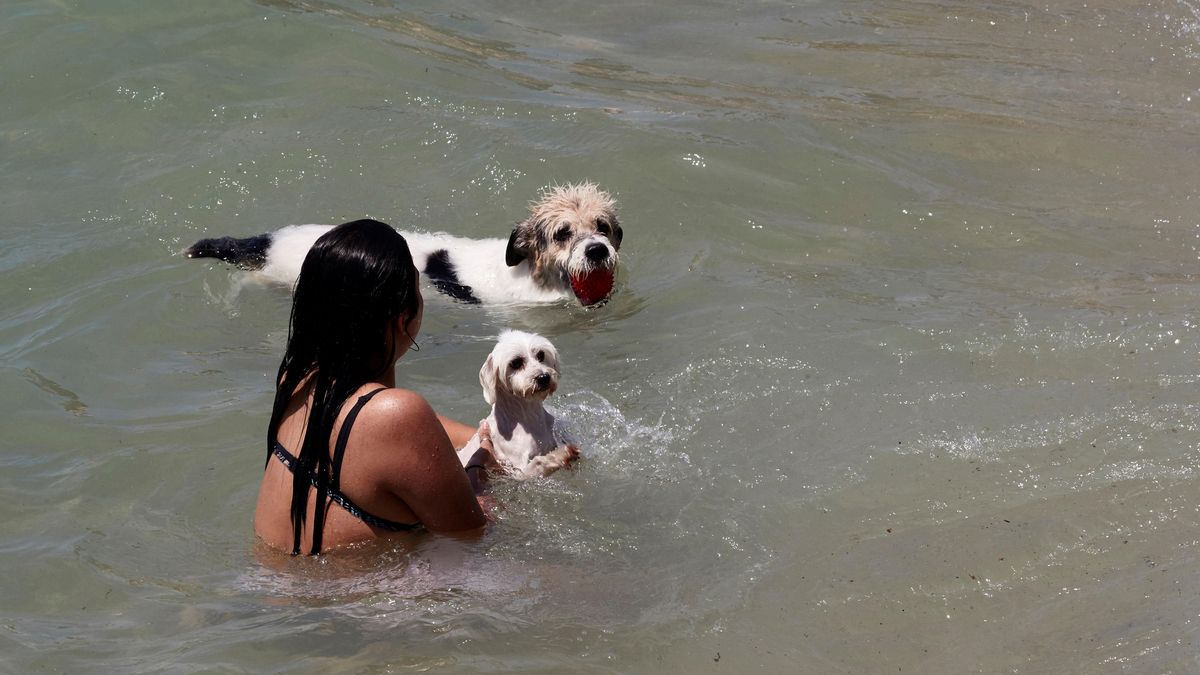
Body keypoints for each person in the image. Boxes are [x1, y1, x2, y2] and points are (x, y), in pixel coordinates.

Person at [253, 219, 498, 555]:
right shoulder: (398, 416)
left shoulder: (299, 378)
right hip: (351, 604)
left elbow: (390, 427)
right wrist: (478, 471)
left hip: (273, 590)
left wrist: (488, 435)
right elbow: (471, 536)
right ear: (402, 319)